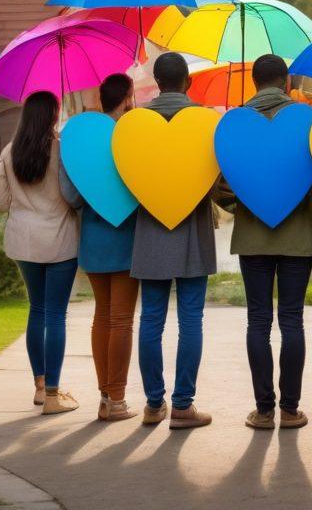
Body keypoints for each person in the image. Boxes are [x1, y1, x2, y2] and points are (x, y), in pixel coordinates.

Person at [216, 54, 312, 431]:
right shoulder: (307, 122)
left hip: (252, 236)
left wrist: (243, 202)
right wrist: (304, 202)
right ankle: (291, 410)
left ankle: (263, 410)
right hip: (297, 236)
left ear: (254, 82)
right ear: (287, 82)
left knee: (258, 320)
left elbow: (220, 184)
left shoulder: (235, 122)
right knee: (292, 320)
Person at [130, 52, 216, 430]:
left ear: (157, 83)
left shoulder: (136, 123)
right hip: (193, 232)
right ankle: (182, 405)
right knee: (191, 319)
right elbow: (215, 177)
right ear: (188, 82)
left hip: (150, 230)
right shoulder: (206, 122)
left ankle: (153, 404)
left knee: (151, 318)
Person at [59, 74, 139, 422]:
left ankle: (105, 396)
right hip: (127, 236)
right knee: (121, 319)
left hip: (92, 236)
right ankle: (117, 401)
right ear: (127, 99)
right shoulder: (132, 137)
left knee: (102, 316)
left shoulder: (81, 139)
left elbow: (72, 196)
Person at [0, 91, 79, 415]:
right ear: (54, 117)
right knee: (56, 315)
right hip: (60, 241)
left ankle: (40, 388)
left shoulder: (9, 152)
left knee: (37, 310)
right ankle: (55, 396)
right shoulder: (62, 152)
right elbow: (73, 198)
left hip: (24, 242)